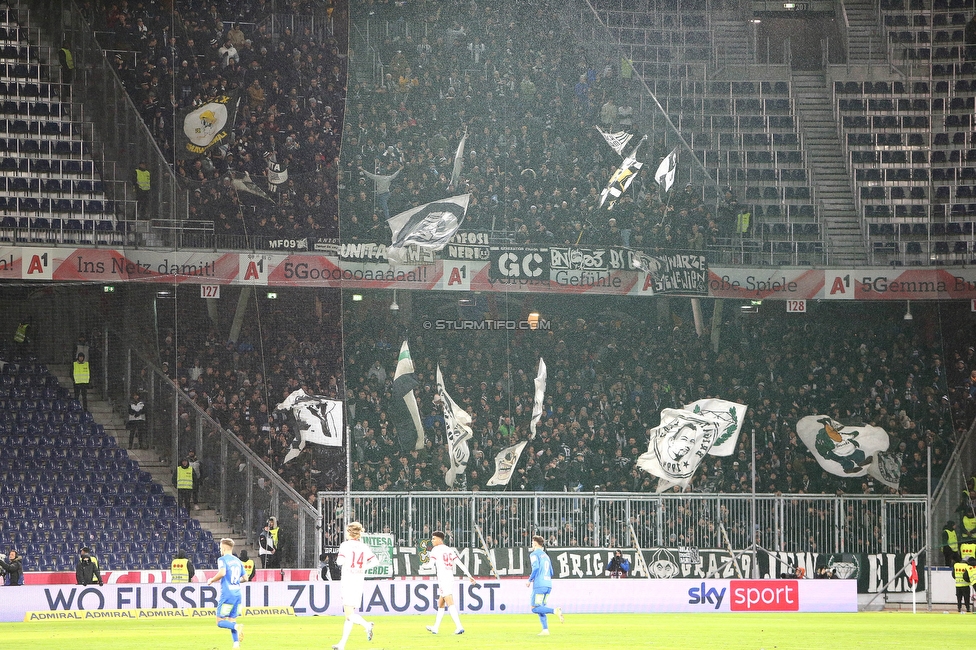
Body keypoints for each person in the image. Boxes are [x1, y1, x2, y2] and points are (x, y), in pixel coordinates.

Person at [422, 530, 477, 635]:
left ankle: (459, 627)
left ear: (439, 539)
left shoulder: (435, 550)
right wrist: (469, 576)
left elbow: (430, 565)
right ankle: (435, 628)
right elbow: (459, 564)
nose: (432, 540)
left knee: (449, 601)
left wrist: (423, 565)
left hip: (443, 578)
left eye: (433, 539)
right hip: (450, 577)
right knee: (441, 603)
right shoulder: (449, 550)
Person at [333, 521, 377, 650]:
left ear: (349, 532)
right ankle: (342, 644)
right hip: (359, 580)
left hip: (348, 580)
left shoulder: (345, 545)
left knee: (349, 614)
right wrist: (363, 567)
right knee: (349, 616)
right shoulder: (364, 547)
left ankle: (367, 625)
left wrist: (344, 560)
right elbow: (375, 561)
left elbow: (340, 561)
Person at [207, 538, 247, 649]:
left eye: (220, 548)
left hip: (227, 594)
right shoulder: (238, 561)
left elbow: (222, 572)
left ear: (224, 548)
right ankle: (236, 645)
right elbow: (246, 578)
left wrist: (212, 580)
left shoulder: (222, 559)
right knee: (232, 619)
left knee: (220, 622)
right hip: (238, 594)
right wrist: (236, 582)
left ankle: (237, 626)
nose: (220, 550)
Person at [527, 535, 562, 636]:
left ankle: (555, 611)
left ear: (535, 543)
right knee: (541, 607)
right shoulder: (546, 556)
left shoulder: (534, 554)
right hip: (548, 584)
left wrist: (529, 580)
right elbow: (551, 571)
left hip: (539, 584)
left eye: (532, 542)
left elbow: (536, 568)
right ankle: (545, 630)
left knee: (534, 608)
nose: (531, 544)